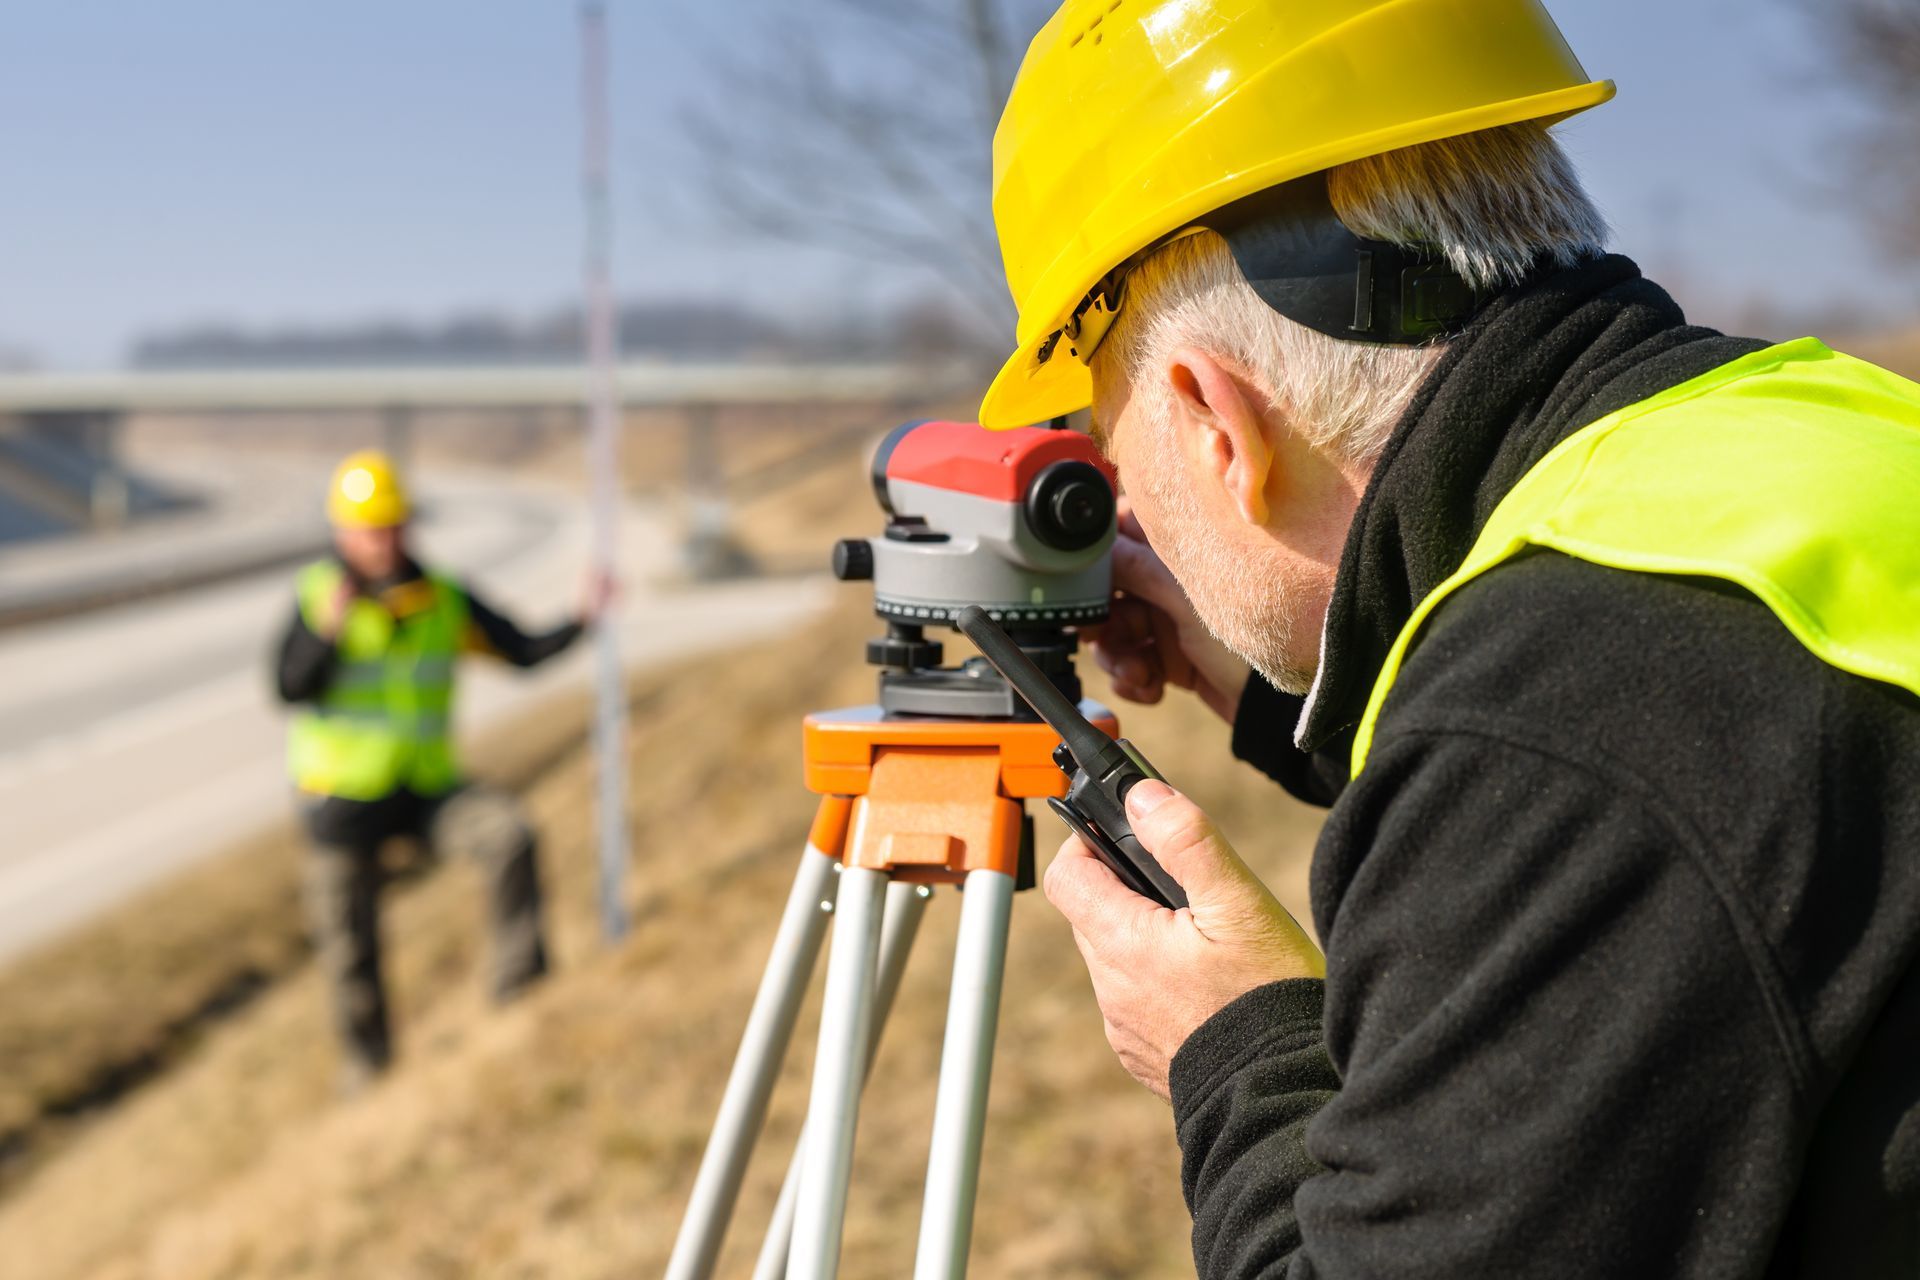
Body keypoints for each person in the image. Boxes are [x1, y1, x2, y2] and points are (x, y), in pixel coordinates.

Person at [979, 2, 1920, 1275]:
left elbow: (1590, 778)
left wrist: (1236, 1044)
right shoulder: (1815, 441)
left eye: (1117, 441)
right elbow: (1712, 838)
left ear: (1213, 419)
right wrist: (1264, 682)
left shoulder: (1579, 713)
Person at [273, 450, 605, 1089]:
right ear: (343, 532)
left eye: (391, 525)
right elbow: (288, 686)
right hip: (340, 804)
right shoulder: (319, 598)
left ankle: (522, 997)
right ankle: (367, 1073)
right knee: (350, 950)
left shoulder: (442, 598)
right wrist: (326, 634)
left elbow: (522, 650)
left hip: (426, 790)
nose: (382, 540)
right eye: (368, 528)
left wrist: (582, 619)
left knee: (509, 837)